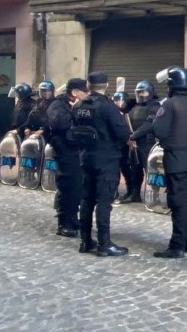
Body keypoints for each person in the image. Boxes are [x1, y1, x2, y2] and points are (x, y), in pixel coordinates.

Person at [72, 72, 130, 257]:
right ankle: (104, 244)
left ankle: (85, 241)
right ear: (106, 86)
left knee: (87, 200)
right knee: (104, 201)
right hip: (106, 159)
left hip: (86, 157)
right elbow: (122, 133)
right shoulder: (108, 107)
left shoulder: (79, 106)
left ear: (88, 86)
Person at [152, 67, 187, 259]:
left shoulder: (169, 105)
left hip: (175, 160)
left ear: (171, 85)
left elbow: (159, 130)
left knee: (178, 202)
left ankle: (177, 245)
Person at [47, 78, 89, 237]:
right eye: (85, 92)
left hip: (78, 151)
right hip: (65, 151)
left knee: (77, 187)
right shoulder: (57, 105)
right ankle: (64, 223)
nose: (87, 94)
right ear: (75, 92)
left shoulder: (81, 105)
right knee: (67, 187)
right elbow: (61, 124)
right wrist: (76, 109)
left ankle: (73, 218)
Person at [121, 80, 161, 204]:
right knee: (135, 170)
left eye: (144, 92)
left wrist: (134, 136)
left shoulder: (155, 106)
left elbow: (149, 124)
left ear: (150, 92)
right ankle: (135, 194)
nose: (141, 95)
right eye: (139, 92)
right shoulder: (134, 106)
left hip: (147, 143)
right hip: (134, 143)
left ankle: (154, 196)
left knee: (151, 170)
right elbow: (123, 114)